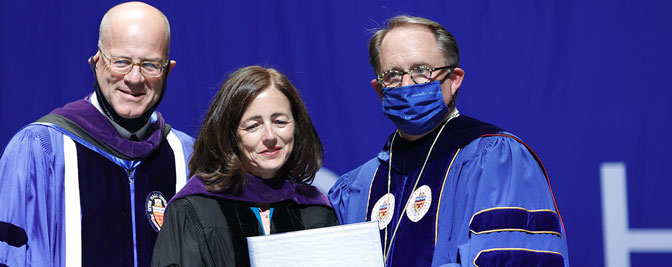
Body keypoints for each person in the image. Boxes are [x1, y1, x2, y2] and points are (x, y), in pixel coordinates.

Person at [328, 15, 569, 266]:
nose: (407, 84)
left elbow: (511, 259)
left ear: (454, 80)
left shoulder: (496, 161)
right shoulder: (357, 188)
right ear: (379, 90)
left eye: (422, 71)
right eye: (393, 75)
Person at [0, 2, 194, 266]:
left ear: (167, 70)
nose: (134, 78)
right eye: (121, 62)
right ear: (97, 62)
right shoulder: (41, 151)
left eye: (150, 65)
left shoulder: (186, 156)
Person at [151, 66, 338, 267]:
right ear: (230, 135)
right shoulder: (193, 210)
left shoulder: (315, 210)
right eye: (253, 126)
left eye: (280, 122)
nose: (270, 137)